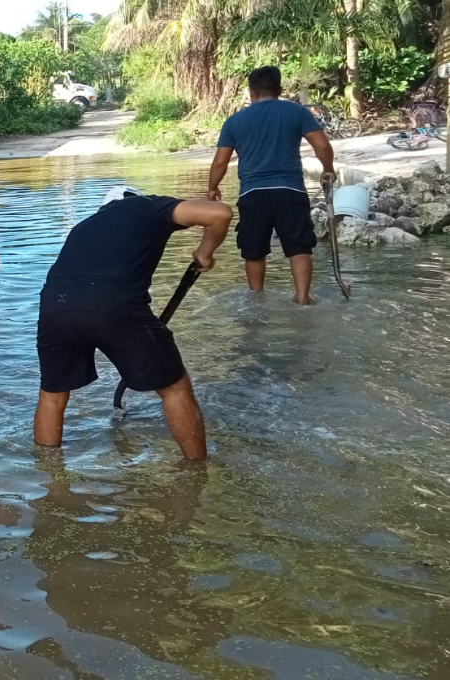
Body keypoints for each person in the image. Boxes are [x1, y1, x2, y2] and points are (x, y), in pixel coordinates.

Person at [34, 185, 233, 460]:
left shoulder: (84, 226)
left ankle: (49, 479)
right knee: (175, 388)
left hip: (55, 307)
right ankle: (196, 471)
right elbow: (220, 213)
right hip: (112, 304)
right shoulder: (148, 206)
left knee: (53, 394)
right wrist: (205, 253)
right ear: (133, 198)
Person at [206, 65, 337, 305]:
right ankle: (302, 300)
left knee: (253, 250)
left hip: (253, 194)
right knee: (298, 247)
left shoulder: (234, 121)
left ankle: (257, 302)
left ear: (251, 91)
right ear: (279, 89)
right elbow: (323, 146)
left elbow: (220, 162)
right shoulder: (297, 112)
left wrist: (213, 187)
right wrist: (327, 170)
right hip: (291, 191)